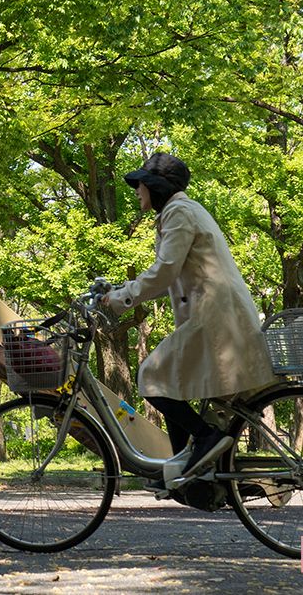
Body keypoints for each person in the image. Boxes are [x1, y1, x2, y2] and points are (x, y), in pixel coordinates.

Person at [101, 153, 276, 480]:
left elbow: (166, 270)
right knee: (173, 384)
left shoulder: (178, 212)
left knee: (152, 377)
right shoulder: (184, 209)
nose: (137, 190)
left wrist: (123, 297)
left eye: (141, 184)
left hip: (214, 317)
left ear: (155, 187)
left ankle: (205, 441)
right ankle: (184, 469)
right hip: (217, 315)